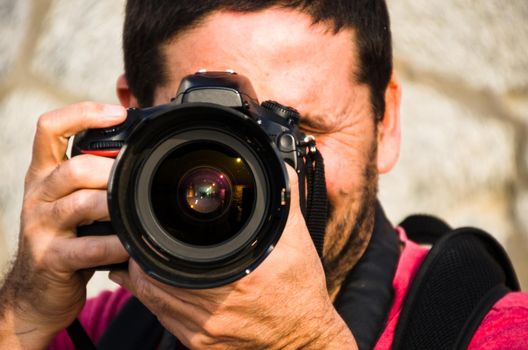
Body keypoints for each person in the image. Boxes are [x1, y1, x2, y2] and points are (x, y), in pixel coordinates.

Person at [0, 1, 527, 349]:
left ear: (384, 124)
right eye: (216, 135)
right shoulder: (97, 330)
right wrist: (22, 316)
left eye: (299, 132)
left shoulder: (493, 330)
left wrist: (307, 342)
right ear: (130, 118)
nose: (274, 179)